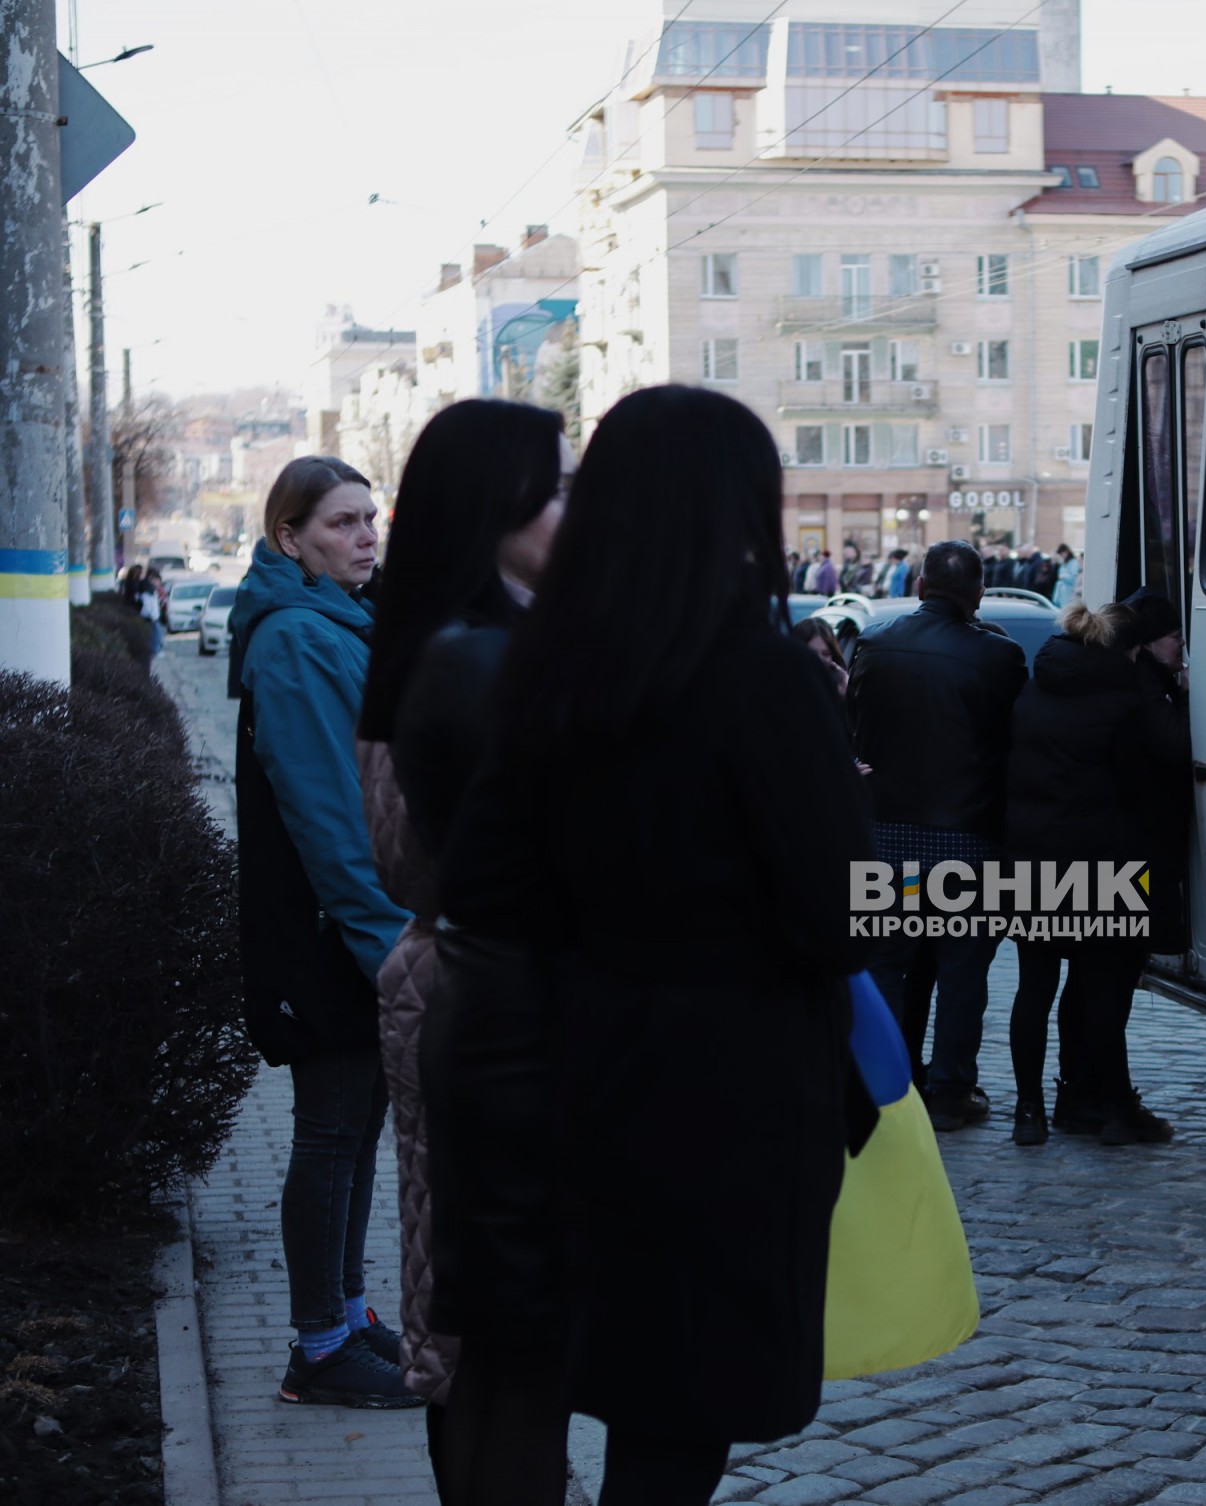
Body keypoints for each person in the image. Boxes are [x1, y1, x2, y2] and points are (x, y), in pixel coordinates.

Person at [436, 385, 874, 1504]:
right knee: (684, 1421)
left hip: (588, 1067)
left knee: (636, 1388)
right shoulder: (758, 676)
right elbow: (836, 913)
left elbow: (480, 887)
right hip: (735, 1091)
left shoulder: (546, 671)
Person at [353, 399, 573, 1502]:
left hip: (476, 986)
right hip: (471, 990)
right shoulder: (455, 652)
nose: (576, 512)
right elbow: (406, 860)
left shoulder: (513, 635)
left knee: (499, 1302)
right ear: (495, 507)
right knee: (471, 1313)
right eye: (557, 489)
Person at [228, 456, 418, 1408]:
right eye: (341, 523)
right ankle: (318, 1347)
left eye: (369, 519)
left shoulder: (338, 620)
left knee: (356, 1130)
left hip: (354, 927)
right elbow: (333, 818)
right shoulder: (298, 637)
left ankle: (346, 1315)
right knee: (332, 1134)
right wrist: (389, 947)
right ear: (288, 538)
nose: (364, 537)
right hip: (332, 935)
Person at [847, 539, 1027, 1131]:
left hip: (888, 836)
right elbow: (1012, 741)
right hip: (968, 838)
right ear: (979, 594)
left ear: (920, 586)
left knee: (886, 964)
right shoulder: (999, 657)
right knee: (962, 974)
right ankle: (951, 1091)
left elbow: (855, 731)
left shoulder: (875, 642)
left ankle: (887, 1085)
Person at [1003, 588, 1189, 1147]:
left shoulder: (1035, 688)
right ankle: (1115, 1109)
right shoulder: (1122, 703)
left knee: (1035, 987)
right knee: (1103, 990)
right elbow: (1140, 790)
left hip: (1032, 856)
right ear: (1127, 651)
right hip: (1102, 860)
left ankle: (1030, 1112)